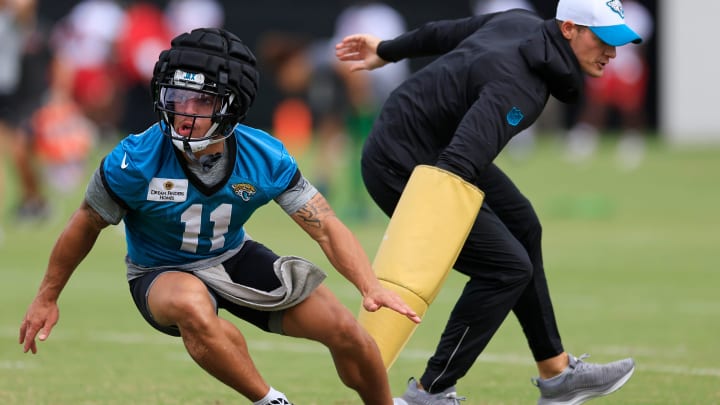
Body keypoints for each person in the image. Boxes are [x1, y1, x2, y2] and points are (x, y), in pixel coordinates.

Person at [18, 27, 420, 405]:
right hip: (160, 271)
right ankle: (271, 401)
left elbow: (327, 226)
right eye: (177, 97)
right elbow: (85, 223)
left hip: (232, 256)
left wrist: (369, 286)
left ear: (233, 105)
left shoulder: (264, 156)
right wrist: (47, 296)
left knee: (345, 331)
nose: (185, 113)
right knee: (194, 305)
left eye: (202, 101)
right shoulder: (134, 160)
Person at [335, 0, 640, 403]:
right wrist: (423, 246)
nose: (613, 53)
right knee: (507, 268)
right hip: (402, 163)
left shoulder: (520, 21)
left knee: (523, 225)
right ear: (568, 29)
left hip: (430, 142)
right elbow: (456, 168)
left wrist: (387, 50)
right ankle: (431, 391)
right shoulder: (520, 87)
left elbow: (445, 31)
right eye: (603, 39)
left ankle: (557, 372)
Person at [565, 0, 654, 170]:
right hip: (605, 60)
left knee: (631, 106)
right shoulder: (602, 8)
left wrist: (634, 65)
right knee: (596, 103)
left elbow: (641, 45)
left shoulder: (637, 12)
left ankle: (633, 141)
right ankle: (584, 140)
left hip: (627, 63)